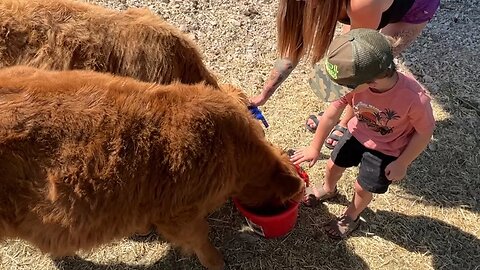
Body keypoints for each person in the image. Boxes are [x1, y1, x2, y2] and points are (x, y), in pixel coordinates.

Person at [289, 28, 435, 239]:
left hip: (387, 148)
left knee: (361, 188)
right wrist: (314, 147)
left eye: (344, 85)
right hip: (356, 132)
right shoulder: (358, 82)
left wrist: (403, 162)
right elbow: (331, 114)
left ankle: (351, 216)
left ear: (372, 82)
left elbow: (424, 131)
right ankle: (329, 189)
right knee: (332, 165)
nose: (341, 90)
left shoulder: (414, 99)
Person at [249, 0, 440, 148]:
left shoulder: (362, 5)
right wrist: (264, 95)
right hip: (362, 9)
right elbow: (292, 50)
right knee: (341, 61)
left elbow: (358, 65)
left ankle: (349, 119)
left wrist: (340, 115)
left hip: (413, 8)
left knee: (371, 62)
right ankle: (340, 112)